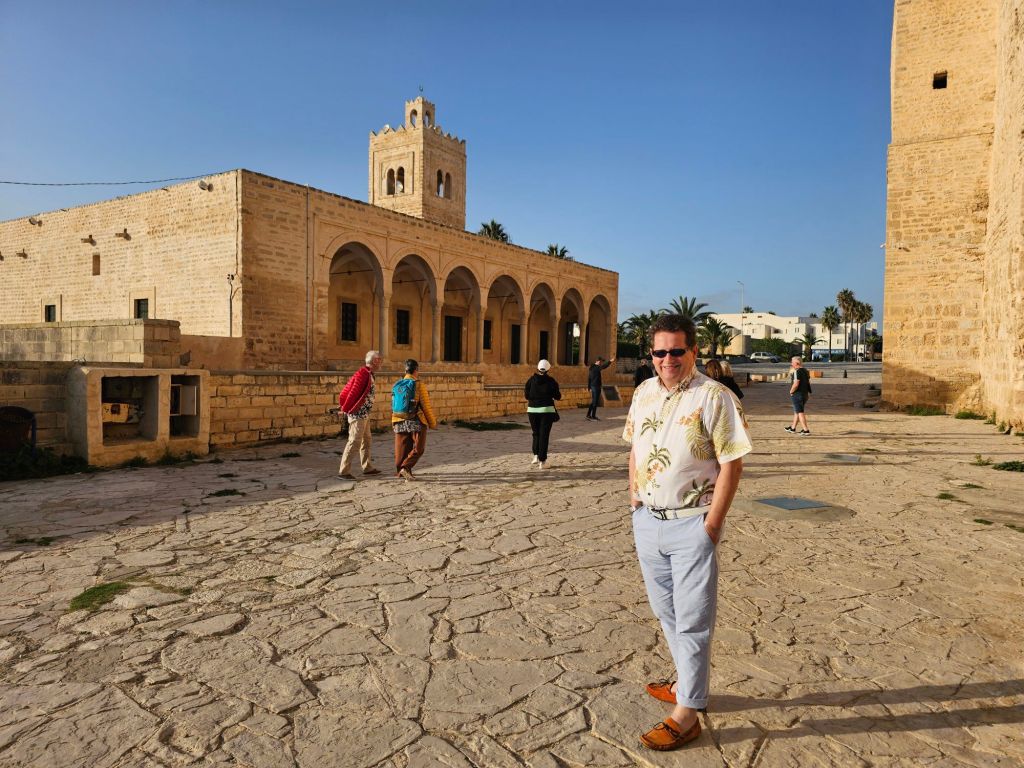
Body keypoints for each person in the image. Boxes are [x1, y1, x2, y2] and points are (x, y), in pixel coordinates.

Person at [623, 314, 752, 751]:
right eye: (660, 352)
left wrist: (711, 525)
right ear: (651, 354)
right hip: (648, 520)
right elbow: (635, 447)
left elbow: (732, 464)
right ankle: (687, 684)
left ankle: (687, 712)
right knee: (666, 612)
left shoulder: (715, 397)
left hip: (692, 522)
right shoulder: (643, 391)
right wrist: (634, 500)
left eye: (677, 351)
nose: (668, 359)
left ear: (693, 351)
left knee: (693, 619)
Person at [336, 350, 383, 480]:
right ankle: (343, 471)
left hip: (364, 413)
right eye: (379, 360)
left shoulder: (369, 374)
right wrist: (345, 409)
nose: (381, 363)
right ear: (375, 361)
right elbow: (352, 392)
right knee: (354, 441)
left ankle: (367, 467)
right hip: (357, 414)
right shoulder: (363, 374)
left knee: (366, 440)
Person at [392, 359, 438, 481]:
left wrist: (393, 421)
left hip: (399, 419)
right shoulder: (418, 384)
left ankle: (401, 471)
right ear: (416, 370)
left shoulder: (397, 384)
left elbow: (393, 405)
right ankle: (405, 468)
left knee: (401, 448)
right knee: (418, 448)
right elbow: (426, 406)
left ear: (405, 370)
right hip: (415, 421)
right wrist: (432, 423)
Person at [524, 359, 561, 470]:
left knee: (536, 433)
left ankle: (536, 455)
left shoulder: (531, 380)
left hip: (532, 411)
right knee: (544, 435)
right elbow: (558, 396)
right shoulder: (551, 381)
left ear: (538, 368)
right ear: (548, 369)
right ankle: (542, 461)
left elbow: (526, 395)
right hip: (546, 411)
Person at [785, 356, 812, 435]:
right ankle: (793, 428)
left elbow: (796, 383)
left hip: (798, 394)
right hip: (804, 394)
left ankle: (806, 430)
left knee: (800, 412)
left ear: (797, 363)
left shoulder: (797, 371)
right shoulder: (806, 371)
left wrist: (791, 391)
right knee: (797, 411)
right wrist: (808, 392)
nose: (791, 364)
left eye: (792, 362)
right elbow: (808, 382)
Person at [585, 355, 615, 420]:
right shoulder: (594, 367)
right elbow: (603, 367)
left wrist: (589, 387)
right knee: (595, 401)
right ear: (597, 361)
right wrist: (610, 361)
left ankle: (589, 415)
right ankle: (591, 416)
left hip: (597, 386)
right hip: (595, 386)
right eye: (600, 361)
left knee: (594, 401)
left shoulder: (594, 367)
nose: (601, 363)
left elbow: (589, 378)